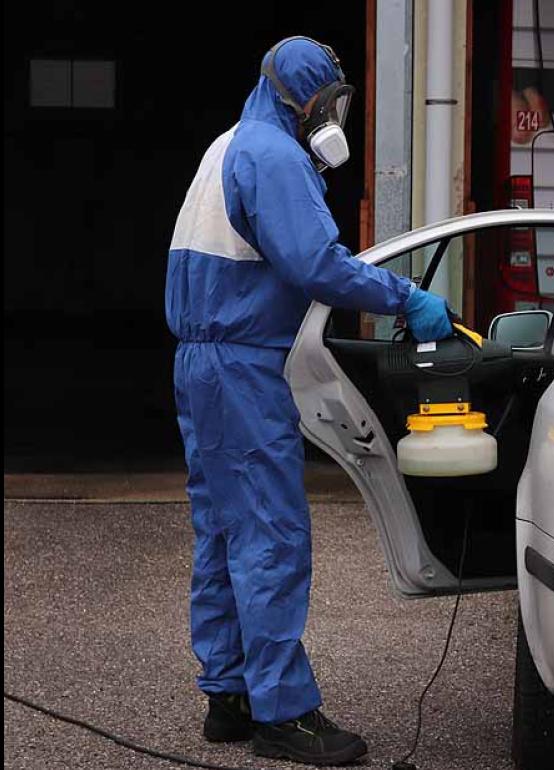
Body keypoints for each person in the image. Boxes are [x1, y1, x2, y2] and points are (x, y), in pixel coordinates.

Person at [164, 37, 451, 766]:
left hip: (203, 362)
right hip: (242, 364)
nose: (333, 118)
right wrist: (406, 297)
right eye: (331, 104)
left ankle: (228, 697)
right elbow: (317, 263)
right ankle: (283, 713)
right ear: (305, 101)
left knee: (225, 530)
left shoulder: (226, 146)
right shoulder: (276, 157)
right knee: (271, 534)